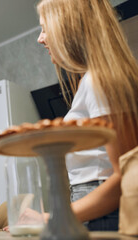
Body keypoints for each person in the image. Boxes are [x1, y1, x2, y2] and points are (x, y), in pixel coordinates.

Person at [37, 0, 138, 231]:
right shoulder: (90, 80)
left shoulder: (98, 80)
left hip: (106, 216)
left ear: (67, 27)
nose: (40, 39)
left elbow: (127, 176)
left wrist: (53, 217)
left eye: (44, 28)